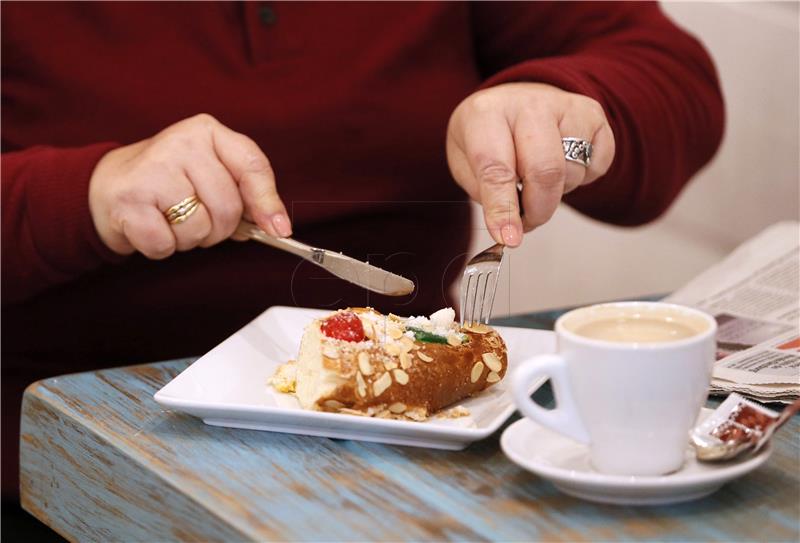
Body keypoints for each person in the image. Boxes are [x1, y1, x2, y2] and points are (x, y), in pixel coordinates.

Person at [1, 1, 723, 501]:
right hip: (50, 463)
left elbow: (669, 77)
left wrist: (564, 119)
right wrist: (85, 195)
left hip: (423, 454)